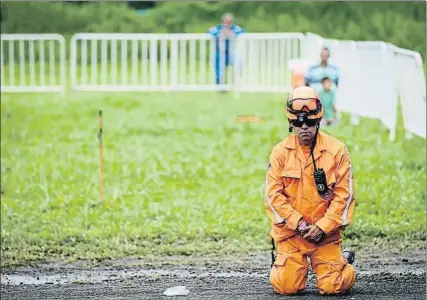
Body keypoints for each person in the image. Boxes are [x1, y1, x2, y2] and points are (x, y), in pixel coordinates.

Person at [264, 86, 356, 295]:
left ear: (319, 120)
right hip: (291, 234)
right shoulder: (279, 153)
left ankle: (343, 261)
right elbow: (273, 196)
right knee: (285, 286)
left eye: (311, 122)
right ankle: (284, 262)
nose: (304, 127)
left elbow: (345, 196)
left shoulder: (337, 151)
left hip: (325, 235)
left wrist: (322, 227)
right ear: (290, 123)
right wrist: (298, 223)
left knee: (334, 286)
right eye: (298, 122)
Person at [208, 13, 244, 90]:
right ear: (222, 22)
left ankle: (235, 82)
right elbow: (210, 31)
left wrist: (231, 33)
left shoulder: (235, 28)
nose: (227, 24)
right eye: (226, 22)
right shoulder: (217, 28)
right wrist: (221, 33)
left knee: (239, 61)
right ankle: (221, 85)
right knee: (218, 63)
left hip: (231, 53)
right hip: (219, 52)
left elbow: (242, 32)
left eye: (229, 22)